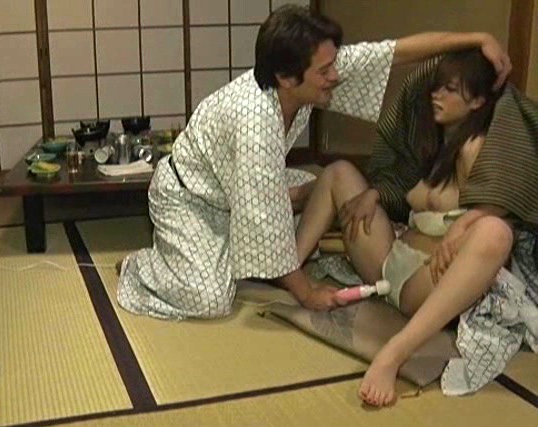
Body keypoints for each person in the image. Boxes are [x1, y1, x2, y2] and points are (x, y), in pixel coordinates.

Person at [116, 4, 512, 320]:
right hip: (190, 198)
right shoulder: (254, 121)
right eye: (325, 70)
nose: (335, 75)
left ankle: (234, 252)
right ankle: (145, 267)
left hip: (240, 186)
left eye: (334, 63)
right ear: (287, 78)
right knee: (210, 300)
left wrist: (477, 37)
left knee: (323, 182)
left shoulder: (306, 74)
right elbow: (262, 216)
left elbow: (395, 52)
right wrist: (306, 292)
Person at [294, 49, 517, 406]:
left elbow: (502, 203)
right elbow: (400, 188)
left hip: (425, 282)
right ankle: (290, 270)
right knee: (339, 173)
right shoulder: (432, 141)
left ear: (477, 101)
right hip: (389, 261)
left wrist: (461, 227)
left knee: (495, 232)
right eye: (437, 88)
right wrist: (374, 193)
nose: (436, 96)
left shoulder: (475, 147)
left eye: (450, 90)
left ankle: (393, 354)